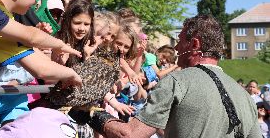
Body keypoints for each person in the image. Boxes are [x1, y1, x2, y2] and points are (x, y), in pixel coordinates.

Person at [74, 15, 262, 138]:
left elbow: (129, 135)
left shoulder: (176, 82)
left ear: (194, 44)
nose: (177, 48)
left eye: (180, 41)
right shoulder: (244, 96)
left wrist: (90, 113)